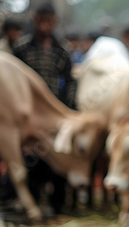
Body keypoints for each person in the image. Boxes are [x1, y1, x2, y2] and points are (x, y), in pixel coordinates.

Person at [13, 2, 77, 215]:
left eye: (48, 21)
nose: (43, 25)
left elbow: (69, 81)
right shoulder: (22, 47)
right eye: (40, 20)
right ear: (34, 20)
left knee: (57, 157)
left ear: (54, 22)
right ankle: (32, 201)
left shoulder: (62, 50)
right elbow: (12, 80)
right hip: (29, 111)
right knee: (32, 155)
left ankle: (58, 205)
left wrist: (66, 110)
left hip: (53, 113)